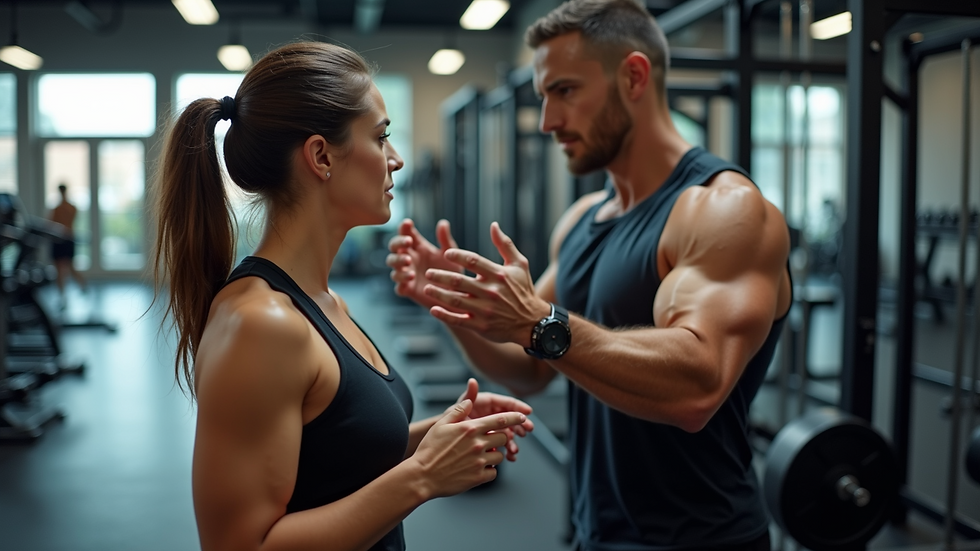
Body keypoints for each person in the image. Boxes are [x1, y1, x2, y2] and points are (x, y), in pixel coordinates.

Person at [387, 1, 792, 549]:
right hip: (594, 530)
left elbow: (699, 386)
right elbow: (528, 368)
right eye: (544, 97)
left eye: (565, 91)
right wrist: (452, 302)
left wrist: (537, 322)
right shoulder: (582, 220)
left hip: (705, 537)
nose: (548, 121)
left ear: (634, 77)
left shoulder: (721, 210)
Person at [152, 41, 535, 551]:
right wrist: (422, 476)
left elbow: (338, 457)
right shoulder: (261, 324)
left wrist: (442, 434)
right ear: (321, 156)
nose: (396, 159)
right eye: (381, 137)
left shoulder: (324, 302)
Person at [48, 183, 86, 302]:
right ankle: (63, 294)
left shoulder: (62, 209)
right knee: (61, 268)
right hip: (62, 239)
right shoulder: (64, 208)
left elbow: (53, 223)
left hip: (65, 239)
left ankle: (80, 287)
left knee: (67, 267)